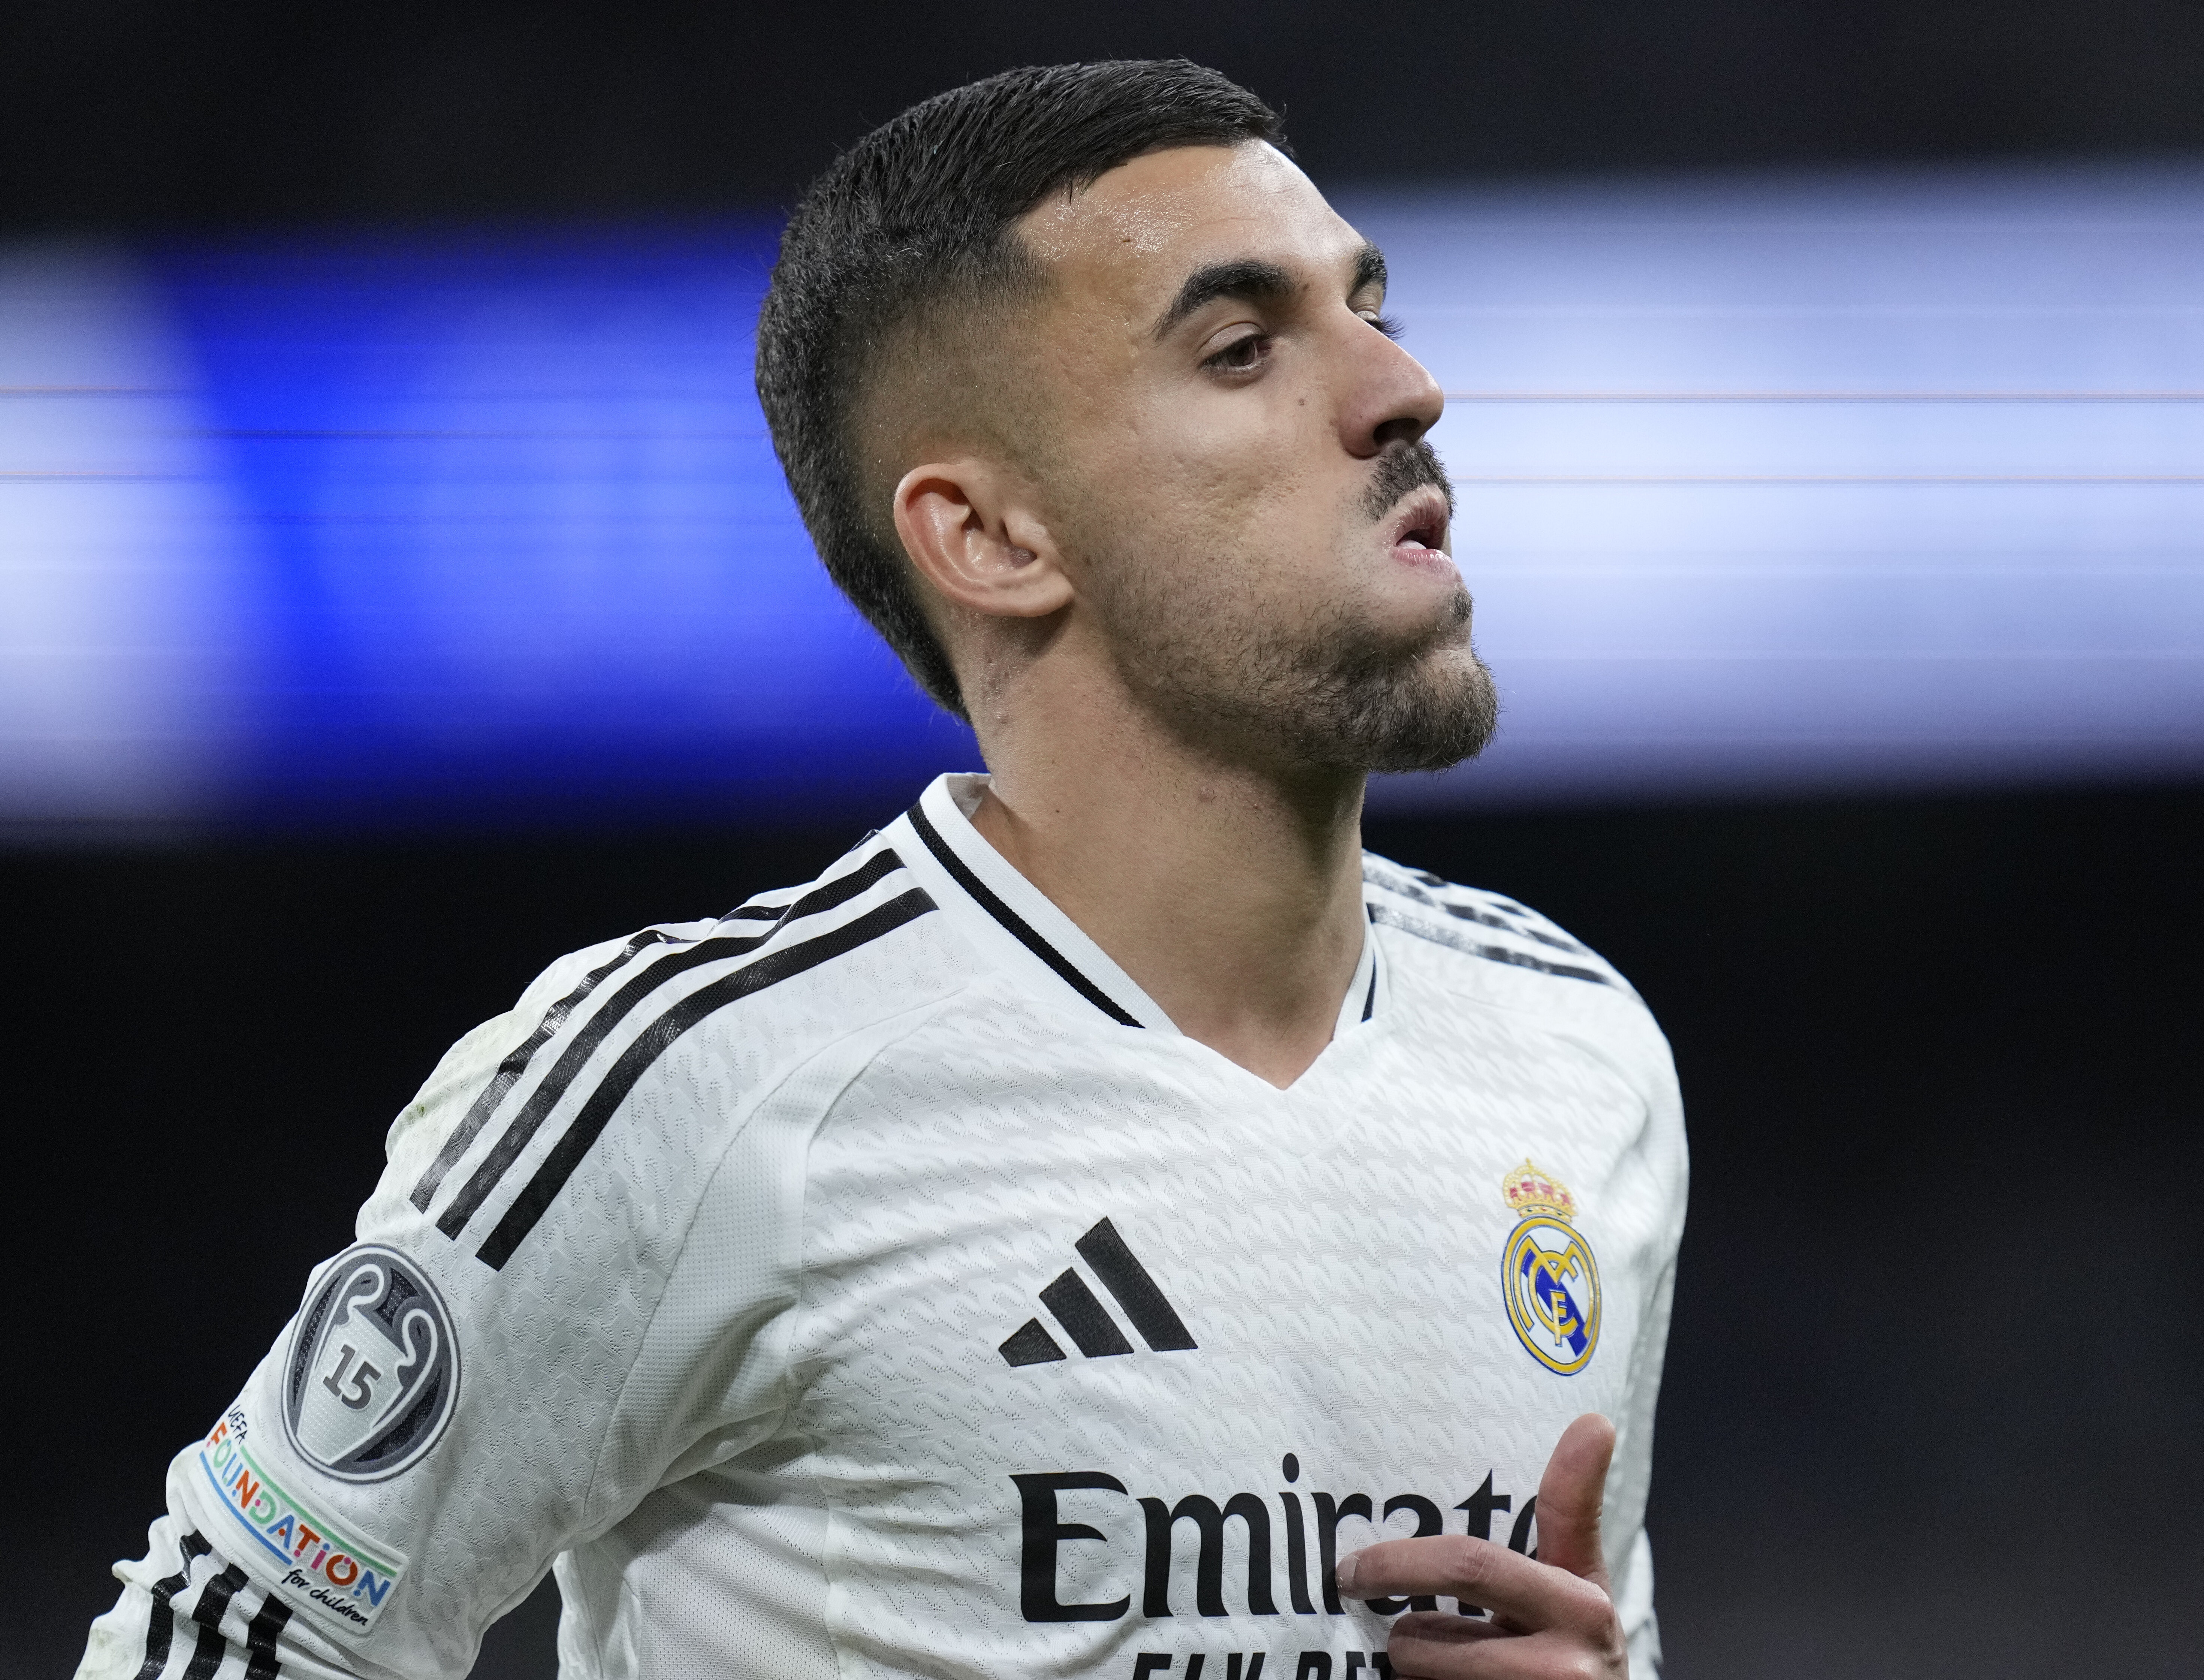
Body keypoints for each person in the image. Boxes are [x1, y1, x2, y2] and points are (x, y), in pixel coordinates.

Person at [77, 59, 1687, 1680]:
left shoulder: (1572, 1048)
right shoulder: (702, 1079)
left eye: (1369, 306)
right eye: (1240, 348)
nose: (1400, 386)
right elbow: (211, 1645)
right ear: (989, 536)